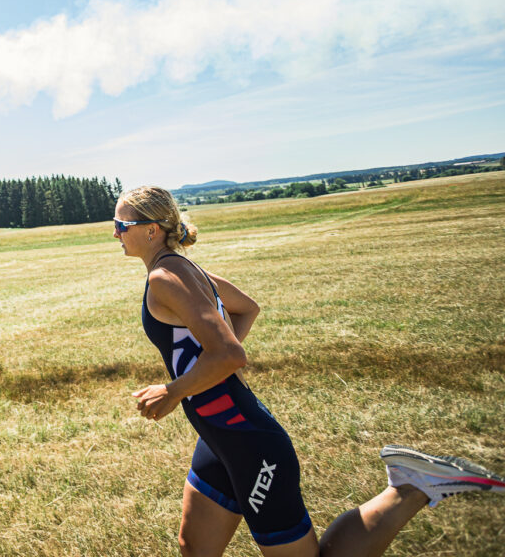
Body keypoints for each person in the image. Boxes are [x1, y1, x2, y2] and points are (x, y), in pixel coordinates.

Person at [116, 185, 503, 556]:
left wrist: (175, 390)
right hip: (219, 439)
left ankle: (411, 487)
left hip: (248, 441)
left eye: (121, 225)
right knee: (196, 548)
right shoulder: (183, 268)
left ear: (152, 230)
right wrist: (206, 366)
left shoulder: (166, 277)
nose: (114, 232)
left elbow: (230, 355)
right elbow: (246, 307)